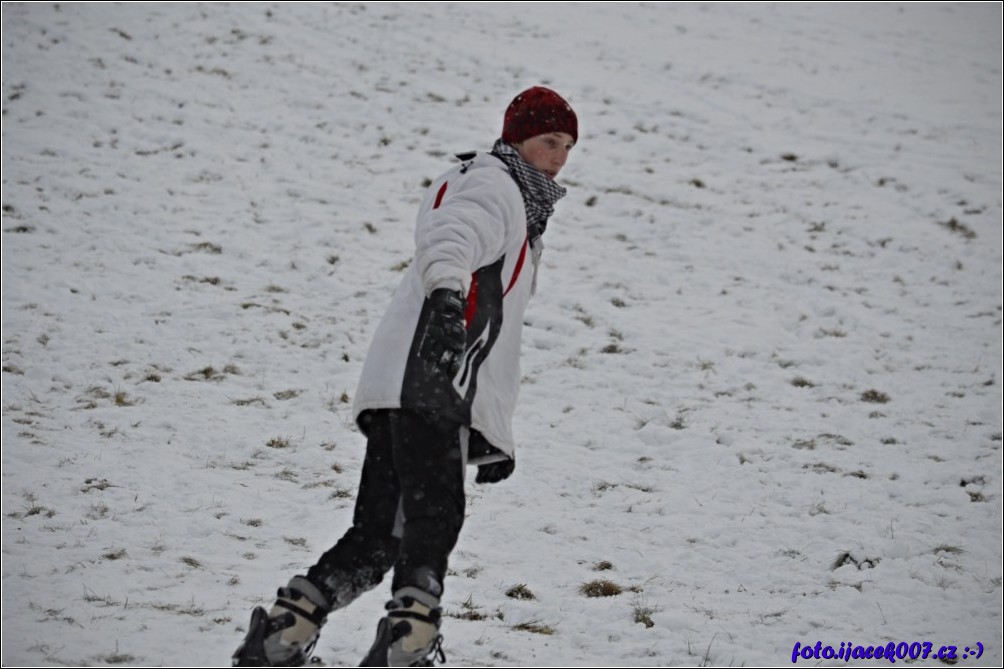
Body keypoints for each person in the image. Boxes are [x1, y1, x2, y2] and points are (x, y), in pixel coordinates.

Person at [232, 86, 578, 668]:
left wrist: (492, 428)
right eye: (549, 141)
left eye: (569, 145)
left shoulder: (507, 196)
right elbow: (451, 238)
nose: (560, 156)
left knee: (378, 533)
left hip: (414, 380)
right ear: (518, 138)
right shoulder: (495, 185)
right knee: (434, 515)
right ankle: (408, 646)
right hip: (433, 377)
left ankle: (282, 635)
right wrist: (447, 299)